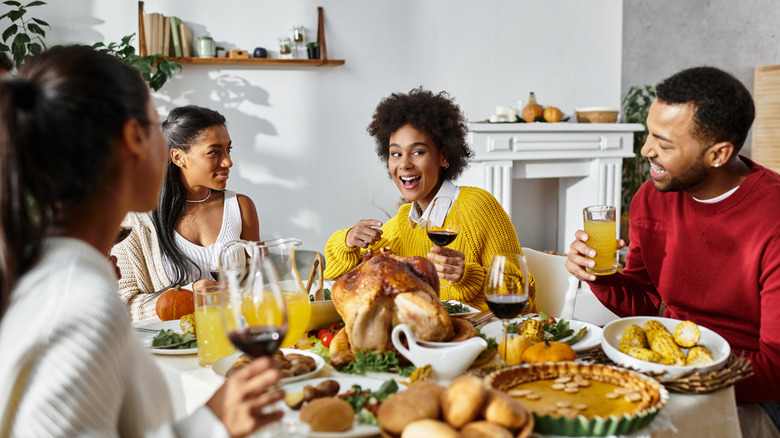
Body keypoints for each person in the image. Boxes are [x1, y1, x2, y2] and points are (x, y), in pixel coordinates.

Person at [0, 45, 282, 436]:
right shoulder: (78, 309)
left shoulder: (61, 281)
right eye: (155, 127)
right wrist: (211, 424)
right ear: (135, 138)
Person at [565, 66, 780, 434]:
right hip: (666, 366)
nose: (646, 150)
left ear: (719, 154)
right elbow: (647, 299)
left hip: (752, 389)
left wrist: (670, 374)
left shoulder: (772, 217)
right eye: (650, 134)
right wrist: (598, 273)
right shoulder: (652, 196)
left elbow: (775, 368)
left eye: (663, 144)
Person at [324, 87, 537, 312]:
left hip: (489, 338)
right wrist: (348, 240)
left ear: (443, 156)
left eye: (417, 152)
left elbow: (521, 292)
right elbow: (335, 277)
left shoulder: (477, 206)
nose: (404, 164)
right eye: (395, 154)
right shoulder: (405, 221)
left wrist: (467, 276)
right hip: (432, 340)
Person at [112, 105, 260, 321]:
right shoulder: (136, 219)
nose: (228, 161)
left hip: (234, 338)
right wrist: (190, 296)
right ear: (178, 157)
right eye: (214, 152)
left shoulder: (241, 207)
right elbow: (123, 306)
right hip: (168, 348)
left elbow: (259, 287)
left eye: (228, 149)